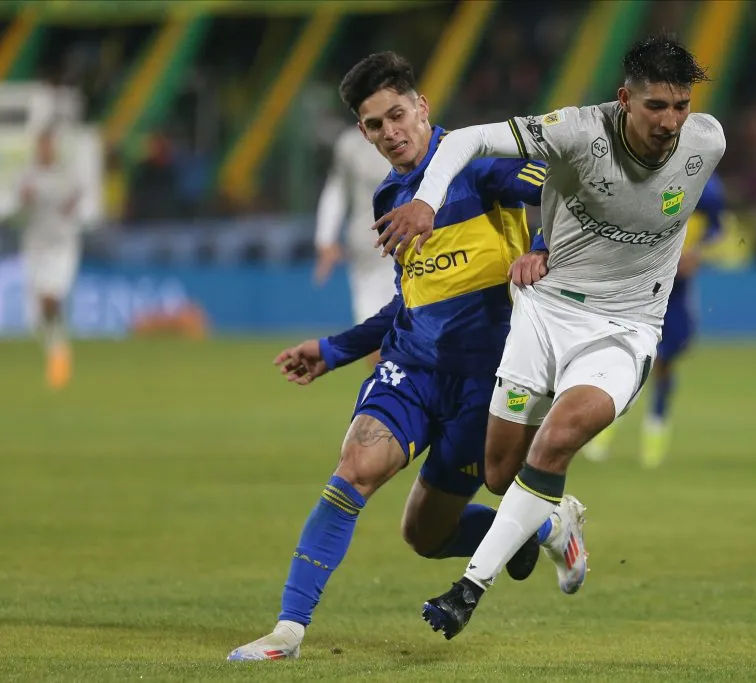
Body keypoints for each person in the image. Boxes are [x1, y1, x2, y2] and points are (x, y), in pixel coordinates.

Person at [227, 51, 585, 661]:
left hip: (488, 380)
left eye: (397, 115)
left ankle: (547, 524)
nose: (390, 133)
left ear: (422, 108)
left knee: (424, 534)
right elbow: (410, 303)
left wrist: (544, 246)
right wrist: (336, 350)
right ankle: (287, 632)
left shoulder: (482, 167)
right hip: (412, 368)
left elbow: (563, 188)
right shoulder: (390, 197)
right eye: (374, 125)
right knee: (354, 469)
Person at [373, 34, 726, 639]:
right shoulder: (576, 131)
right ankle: (559, 523)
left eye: (679, 106)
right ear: (623, 101)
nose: (670, 122)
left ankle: (468, 589)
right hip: (544, 315)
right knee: (499, 471)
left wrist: (541, 243)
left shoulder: (707, 141)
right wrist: (429, 202)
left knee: (559, 436)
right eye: (655, 107)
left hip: (626, 326)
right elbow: (463, 140)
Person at [582, 172, 726, 468]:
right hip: (638, 280)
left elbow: (718, 229)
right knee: (626, 356)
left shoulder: (706, 187)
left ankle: (655, 430)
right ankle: (605, 428)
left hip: (676, 291)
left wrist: (697, 253)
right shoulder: (643, 174)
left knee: (663, 363)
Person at [313, 123, 395, 368]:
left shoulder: (418, 134)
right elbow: (337, 190)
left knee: (413, 337)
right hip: (367, 248)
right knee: (377, 345)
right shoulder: (350, 144)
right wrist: (326, 239)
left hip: (413, 246)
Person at [18, 127, 83, 390]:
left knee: (51, 296)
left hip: (61, 245)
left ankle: (59, 355)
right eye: (41, 145)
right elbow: (19, 209)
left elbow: (73, 203)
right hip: (35, 245)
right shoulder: (27, 176)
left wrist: (64, 202)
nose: (45, 149)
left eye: (48, 145)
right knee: (38, 311)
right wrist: (26, 199)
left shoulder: (66, 176)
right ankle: (57, 347)